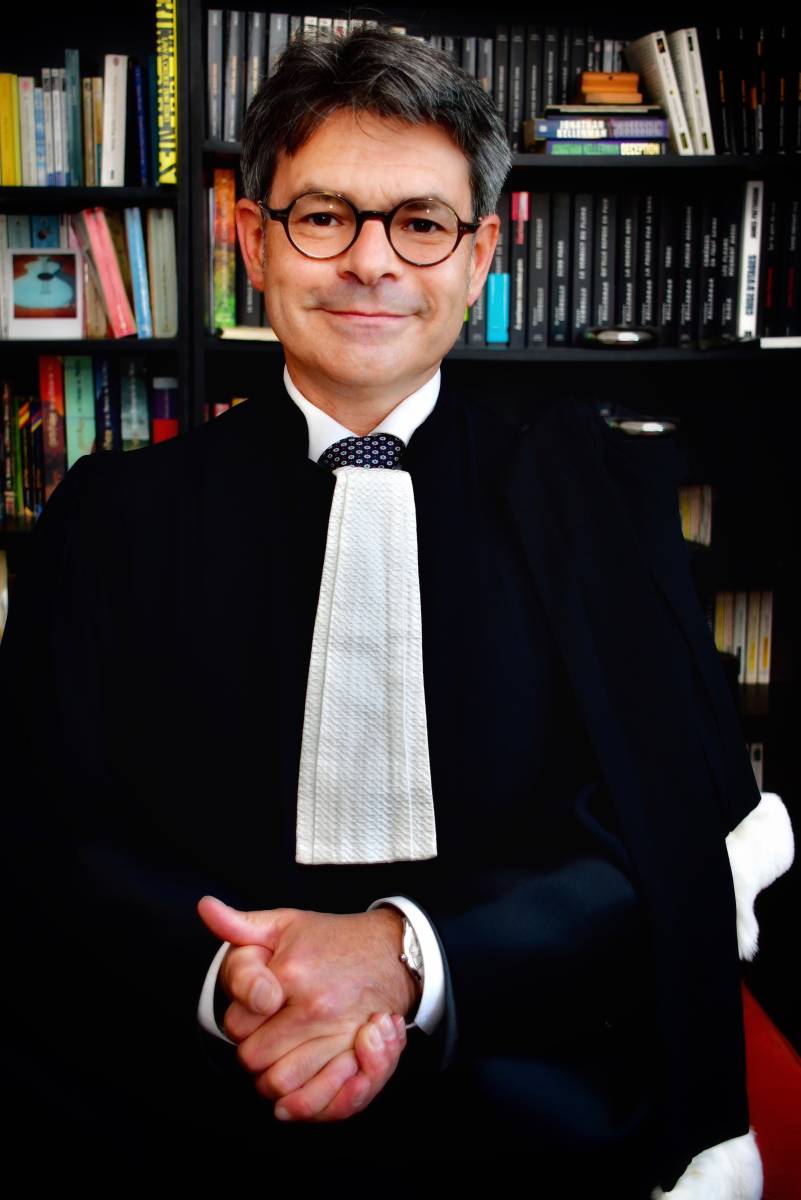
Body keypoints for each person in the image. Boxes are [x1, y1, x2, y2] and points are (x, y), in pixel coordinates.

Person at [0, 27, 793, 1193]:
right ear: (253, 240)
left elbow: (660, 837)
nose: (371, 262)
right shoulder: (110, 517)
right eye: (325, 216)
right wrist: (237, 983)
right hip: (181, 1094)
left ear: (479, 257)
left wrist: (409, 958)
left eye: (421, 223)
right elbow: (46, 835)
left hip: (531, 1093)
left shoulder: (602, 510)